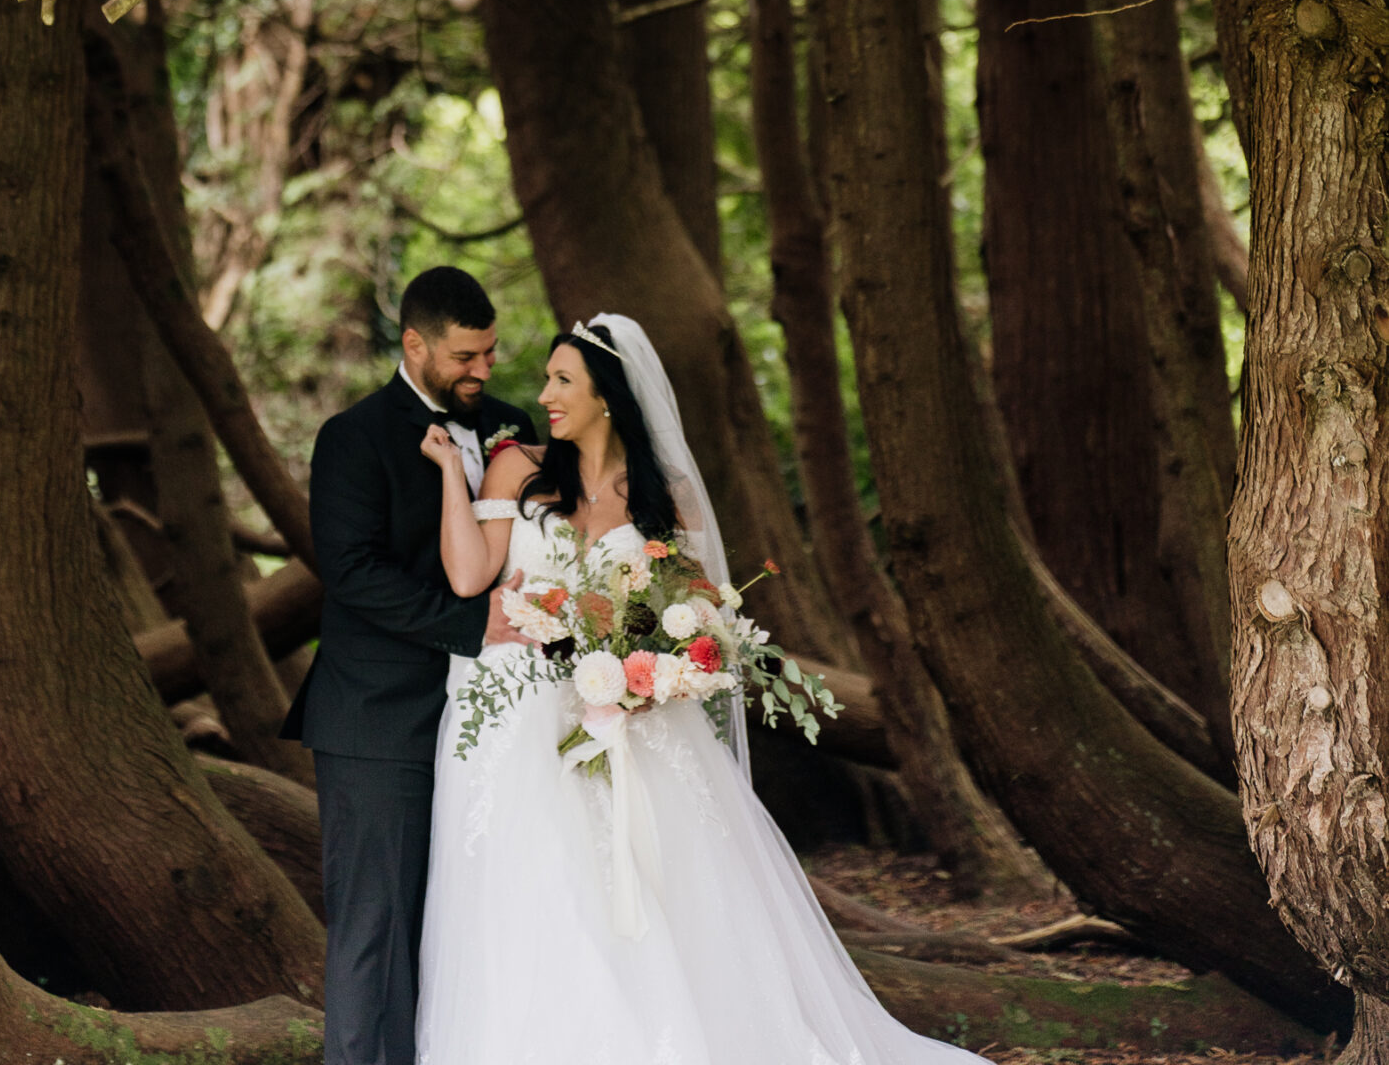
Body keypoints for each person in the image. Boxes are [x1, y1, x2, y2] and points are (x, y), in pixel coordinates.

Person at [414, 313, 989, 1065]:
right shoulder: (516, 468)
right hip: (518, 712)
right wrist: (451, 478)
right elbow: (466, 577)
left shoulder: (663, 495)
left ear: (609, 397)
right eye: (548, 379)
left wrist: (647, 672)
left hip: (630, 715)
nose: (544, 395)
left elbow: (696, 619)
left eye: (563, 381)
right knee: (533, 881)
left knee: (664, 889)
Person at [283, 267, 537, 1065]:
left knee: (477, 924)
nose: (483, 371)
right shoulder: (351, 437)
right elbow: (353, 574)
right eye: (465, 356)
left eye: (490, 353)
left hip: (499, 720)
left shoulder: (514, 428)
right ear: (415, 344)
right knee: (377, 928)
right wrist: (474, 624)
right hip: (378, 719)